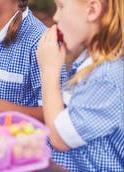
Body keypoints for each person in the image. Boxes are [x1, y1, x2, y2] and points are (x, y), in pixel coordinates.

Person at [37, 0, 123, 171]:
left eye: (61, 7)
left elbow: (60, 138)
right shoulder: (89, 62)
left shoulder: (107, 78)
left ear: (92, 10)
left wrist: (49, 71)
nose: (55, 17)